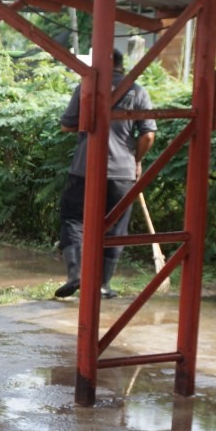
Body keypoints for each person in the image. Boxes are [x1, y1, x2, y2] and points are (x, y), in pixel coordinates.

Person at [55, 50, 156, 299]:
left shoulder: (86, 88)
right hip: (123, 173)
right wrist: (136, 161)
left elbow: (67, 125)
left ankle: (76, 274)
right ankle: (102, 285)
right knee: (116, 227)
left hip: (85, 168)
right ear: (122, 65)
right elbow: (148, 135)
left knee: (73, 218)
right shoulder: (138, 91)